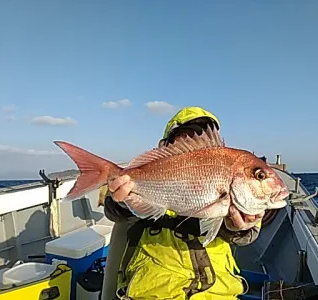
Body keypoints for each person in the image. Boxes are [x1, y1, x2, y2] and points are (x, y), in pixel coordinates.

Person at [100, 106, 265, 300]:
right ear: (165, 145)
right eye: (185, 136)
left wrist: (237, 227)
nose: (193, 142)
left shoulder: (234, 178)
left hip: (218, 291)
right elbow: (113, 210)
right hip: (153, 289)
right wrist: (125, 201)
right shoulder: (139, 173)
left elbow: (247, 236)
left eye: (200, 135)